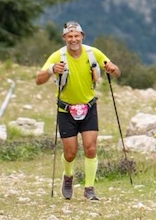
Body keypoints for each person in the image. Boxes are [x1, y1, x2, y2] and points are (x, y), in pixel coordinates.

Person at [35, 21, 120, 201]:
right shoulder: (57, 56)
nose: (73, 39)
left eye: (76, 36)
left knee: (90, 148)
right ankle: (67, 177)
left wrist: (112, 69)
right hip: (66, 109)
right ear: (64, 38)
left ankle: (89, 189)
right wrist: (51, 69)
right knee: (70, 152)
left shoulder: (93, 53)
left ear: (82, 36)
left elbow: (115, 70)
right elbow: (38, 79)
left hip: (89, 107)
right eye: (69, 36)